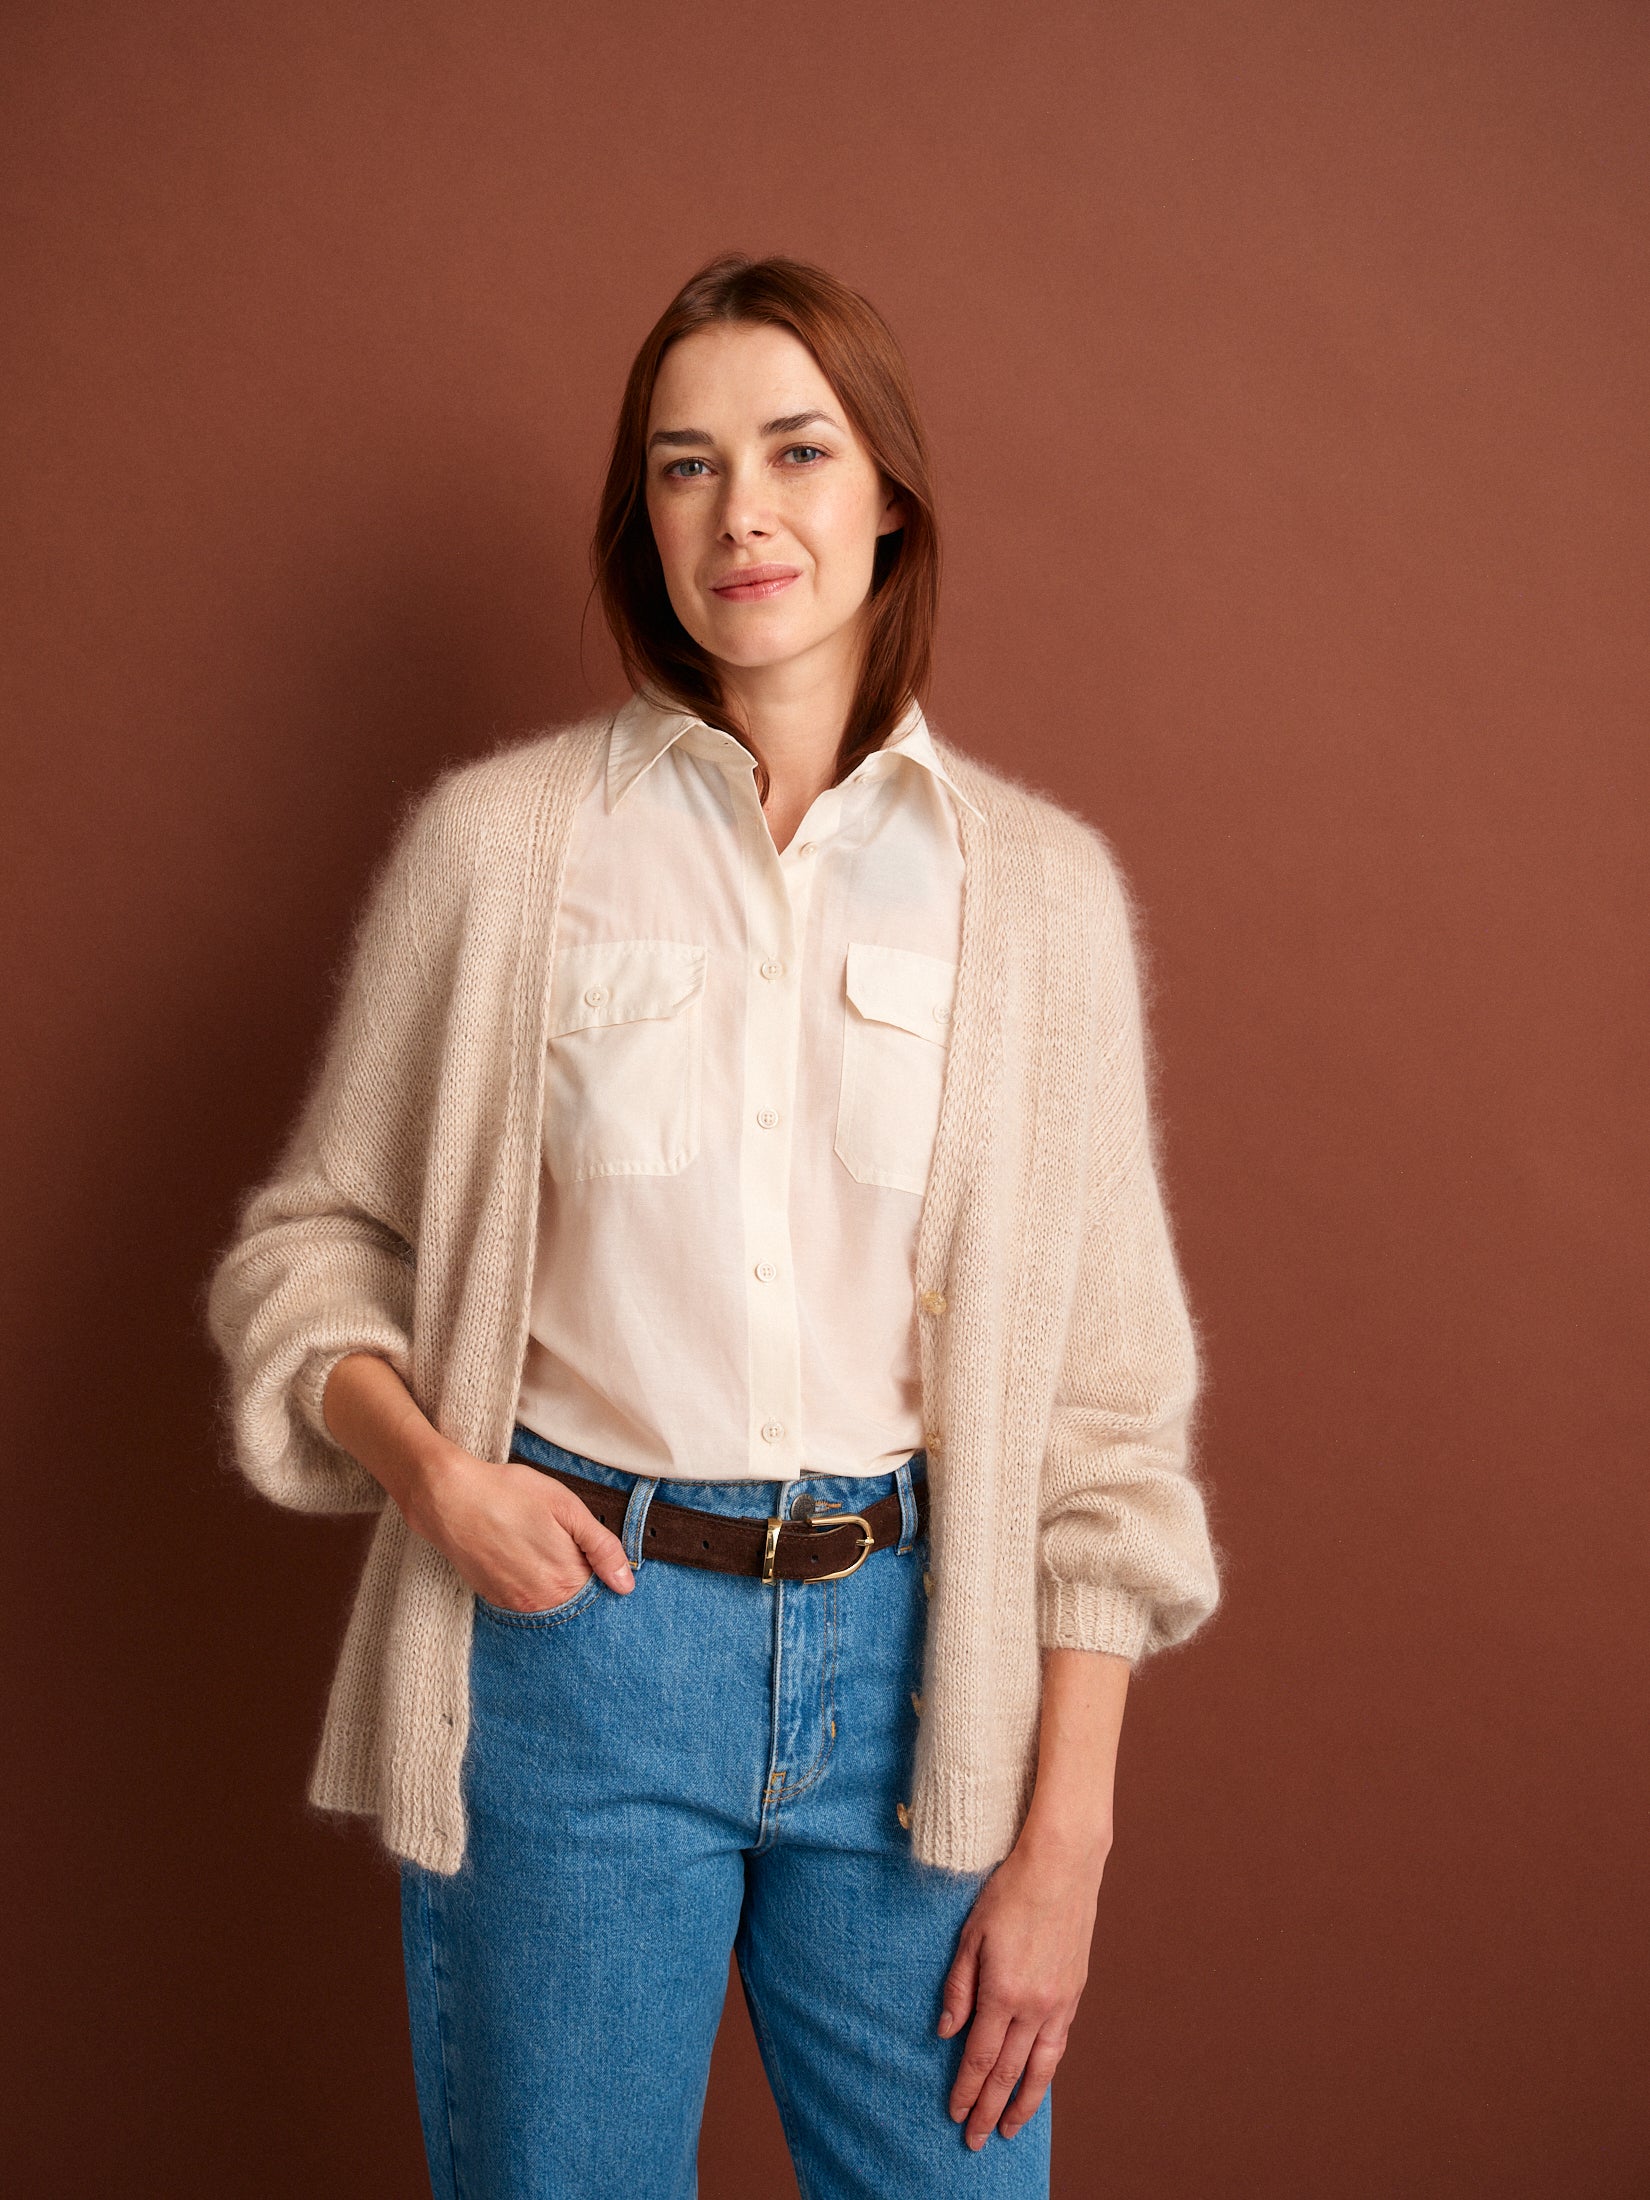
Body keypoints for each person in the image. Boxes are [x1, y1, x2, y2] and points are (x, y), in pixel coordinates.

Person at [205, 251, 1223, 2200]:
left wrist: (1068, 1841)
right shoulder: (504, 851)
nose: (741, 508)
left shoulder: (1041, 898)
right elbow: (306, 1252)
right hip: (573, 1659)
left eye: (794, 449)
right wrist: (436, 1476)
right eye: (685, 466)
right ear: (645, 520)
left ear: (889, 493)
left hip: (921, 1680)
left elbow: (1109, 1423)